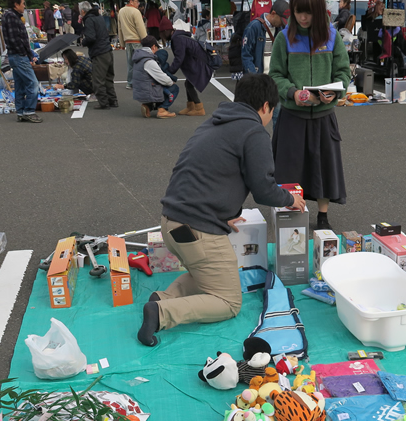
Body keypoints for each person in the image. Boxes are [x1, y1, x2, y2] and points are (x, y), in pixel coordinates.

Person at [138, 74, 307, 346]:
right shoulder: (254, 132)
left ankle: (162, 298)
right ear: (266, 106)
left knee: (208, 274)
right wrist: (290, 199)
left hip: (171, 222)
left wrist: (222, 211)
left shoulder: (214, 123)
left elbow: (207, 174)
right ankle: (162, 313)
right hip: (196, 231)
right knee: (228, 301)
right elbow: (263, 188)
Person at [270, 0, 350, 231]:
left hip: (324, 116)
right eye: (298, 12)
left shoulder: (332, 37)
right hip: (292, 115)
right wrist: (292, 93)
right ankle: (290, 213)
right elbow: (275, 75)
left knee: (324, 167)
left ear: (318, 12)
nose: (303, 18)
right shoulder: (284, 38)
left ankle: (323, 216)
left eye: (308, 13)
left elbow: (343, 72)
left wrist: (334, 92)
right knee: (290, 168)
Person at [160, 16, 213, 116]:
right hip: (199, 60)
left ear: (166, 31)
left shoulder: (177, 39)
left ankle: (199, 107)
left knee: (189, 84)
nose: (162, 37)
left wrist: (170, 71)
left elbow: (179, 58)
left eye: (162, 34)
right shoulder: (178, 36)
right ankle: (190, 106)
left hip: (199, 61)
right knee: (188, 83)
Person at [2, 0, 42, 123]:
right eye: (23, 3)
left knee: (20, 85)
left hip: (16, 55)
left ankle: (21, 112)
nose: (24, 6)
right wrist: (25, 54)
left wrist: (28, 54)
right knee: (32, 83)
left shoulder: (11, 16)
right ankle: (29, 111)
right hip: (18, 55)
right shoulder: (11, 16)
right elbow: (15, 40)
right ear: (16, 4)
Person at [80, 1, 119, 109]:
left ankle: (104, 102)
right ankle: (112, 100)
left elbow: (91, 37)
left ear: (82, 11)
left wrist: (84, 42)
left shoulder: (89, 20)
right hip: (107, 49)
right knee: (108, 78)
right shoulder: (99, 17)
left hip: (99, 52)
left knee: (98, 80)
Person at [133, 35, 179, 118]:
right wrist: (171, 82)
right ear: (153, 47)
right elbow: (163, 78)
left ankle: (148, 106)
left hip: (140, 90)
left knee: (157, 84)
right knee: (174, 88)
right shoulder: (149, 61)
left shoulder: (139, 58)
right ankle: (162, 109)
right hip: (148, 91)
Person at [241, 0, 288, 75]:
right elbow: (246, 56)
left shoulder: (280, 29)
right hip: (259, 77)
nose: (283, 23)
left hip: (275, 77)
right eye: (282, 20)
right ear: (273, 14)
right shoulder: (253, 27)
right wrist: (254, 77)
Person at [118, 0, 147, 88]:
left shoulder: (121, 11)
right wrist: (146, 40)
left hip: (127, 41)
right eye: (137, 1)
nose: (138, 4)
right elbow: (140, 28)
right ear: (131, 1)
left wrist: (122, 43)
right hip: (137, 41)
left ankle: (130, 82)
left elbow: (120, 28)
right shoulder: (136, 12)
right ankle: (139, 82)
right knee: (140, 63)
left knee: (130, 64)